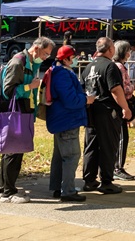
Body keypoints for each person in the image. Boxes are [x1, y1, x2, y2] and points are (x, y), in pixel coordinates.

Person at [0, 36, 53, 202]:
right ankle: (6, 192)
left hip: (24, 110)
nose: (45, 58)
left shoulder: (31, 63)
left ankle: (9, 187)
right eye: (45, 53)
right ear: (36, 48)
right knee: (12, 151)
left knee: (17, 150)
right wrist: (30, 86)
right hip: (15, 112)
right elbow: (7, 91)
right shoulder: (17, 63)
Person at [82, 37, 130, 194]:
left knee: (91, 145)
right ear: (110, 49)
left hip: (91, 109)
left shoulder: (88, 67)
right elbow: (115, 89)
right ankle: (106, 181)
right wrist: (125, 108)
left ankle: (89, 180)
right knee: (108, 146)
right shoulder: (110, 66)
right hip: (107, 111)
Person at [46, 44, 91, 202]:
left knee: (60, 156)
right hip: (67, 119)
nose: (75, 59)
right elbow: (70, 100)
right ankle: (68, 191)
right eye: (73, 57)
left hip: (60, 119)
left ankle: (58, 188)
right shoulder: (62, 74)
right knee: (71, 156)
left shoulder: (56, 71)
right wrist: (86, 99)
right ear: (65, 59)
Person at [112, 40, 135, 181]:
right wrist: (134, 87)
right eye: (128, 51)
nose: (130, 53)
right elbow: (123, 88)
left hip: (117, 107)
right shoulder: (120, 67)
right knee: (122, 138)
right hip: (121, 106)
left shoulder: (116, 65)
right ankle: (117, 167)